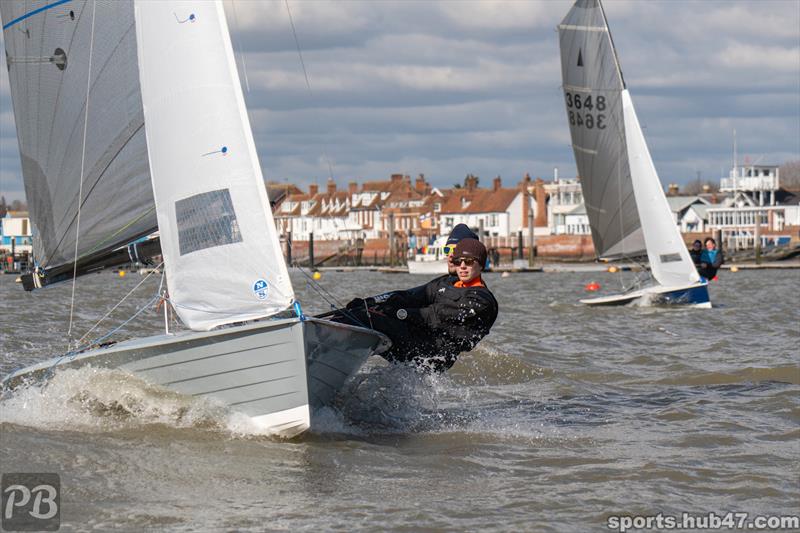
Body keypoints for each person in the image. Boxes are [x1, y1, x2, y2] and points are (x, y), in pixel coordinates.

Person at [333, 238, 498, 372]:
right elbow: (409, 297)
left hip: (432, 353)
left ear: (481, 264)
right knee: (354, 313)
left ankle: (326, 359)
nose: (462, 266)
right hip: (415, 337)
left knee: (365, 318)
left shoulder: (482, 300)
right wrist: (370, 302)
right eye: (458, 260)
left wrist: (397, 312)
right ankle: (326, 361)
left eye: (468, 261)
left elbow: (435, 315)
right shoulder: (446, 284)